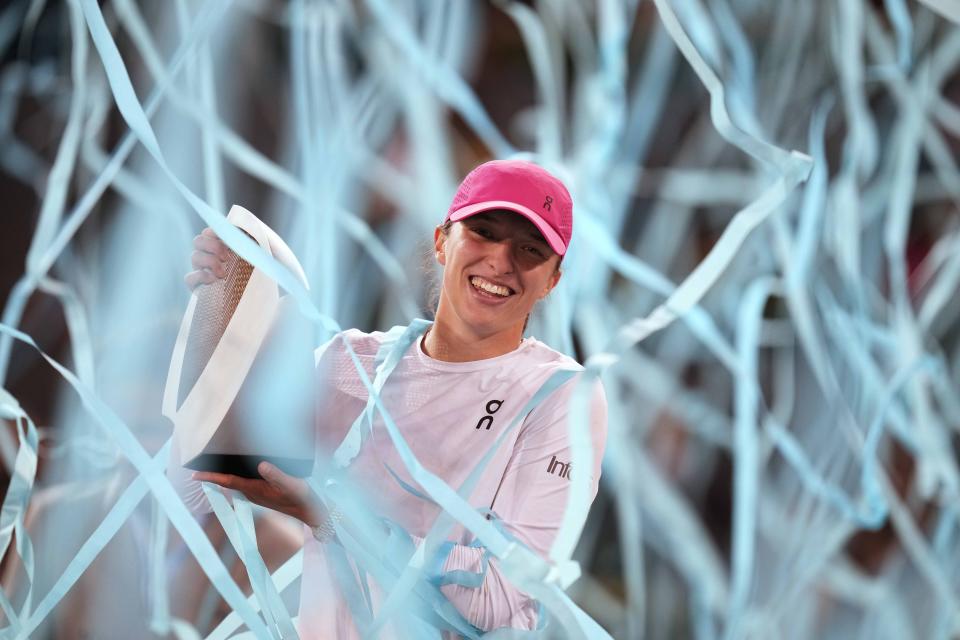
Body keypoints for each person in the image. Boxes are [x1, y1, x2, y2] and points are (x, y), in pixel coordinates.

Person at [169, 159, 608, 637]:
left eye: (530, 249)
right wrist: (227, 310)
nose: (501, 261)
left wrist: (330, 517)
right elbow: (200, 488)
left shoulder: (560, 395)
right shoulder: (349, 364)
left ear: (552, 280)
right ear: (443, 241)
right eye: (483, 231)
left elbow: (500, 597)